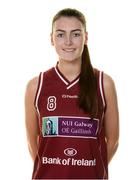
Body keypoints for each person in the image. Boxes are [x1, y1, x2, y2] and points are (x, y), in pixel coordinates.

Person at [25, 8, 119, 179]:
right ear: (51, 39)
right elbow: (33, 145)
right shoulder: (36, 85)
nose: (68, 42)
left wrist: (92, 169)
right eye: (60, 34)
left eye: (75, 34)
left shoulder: (104, 83)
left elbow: (113, 141)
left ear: (86, 38)